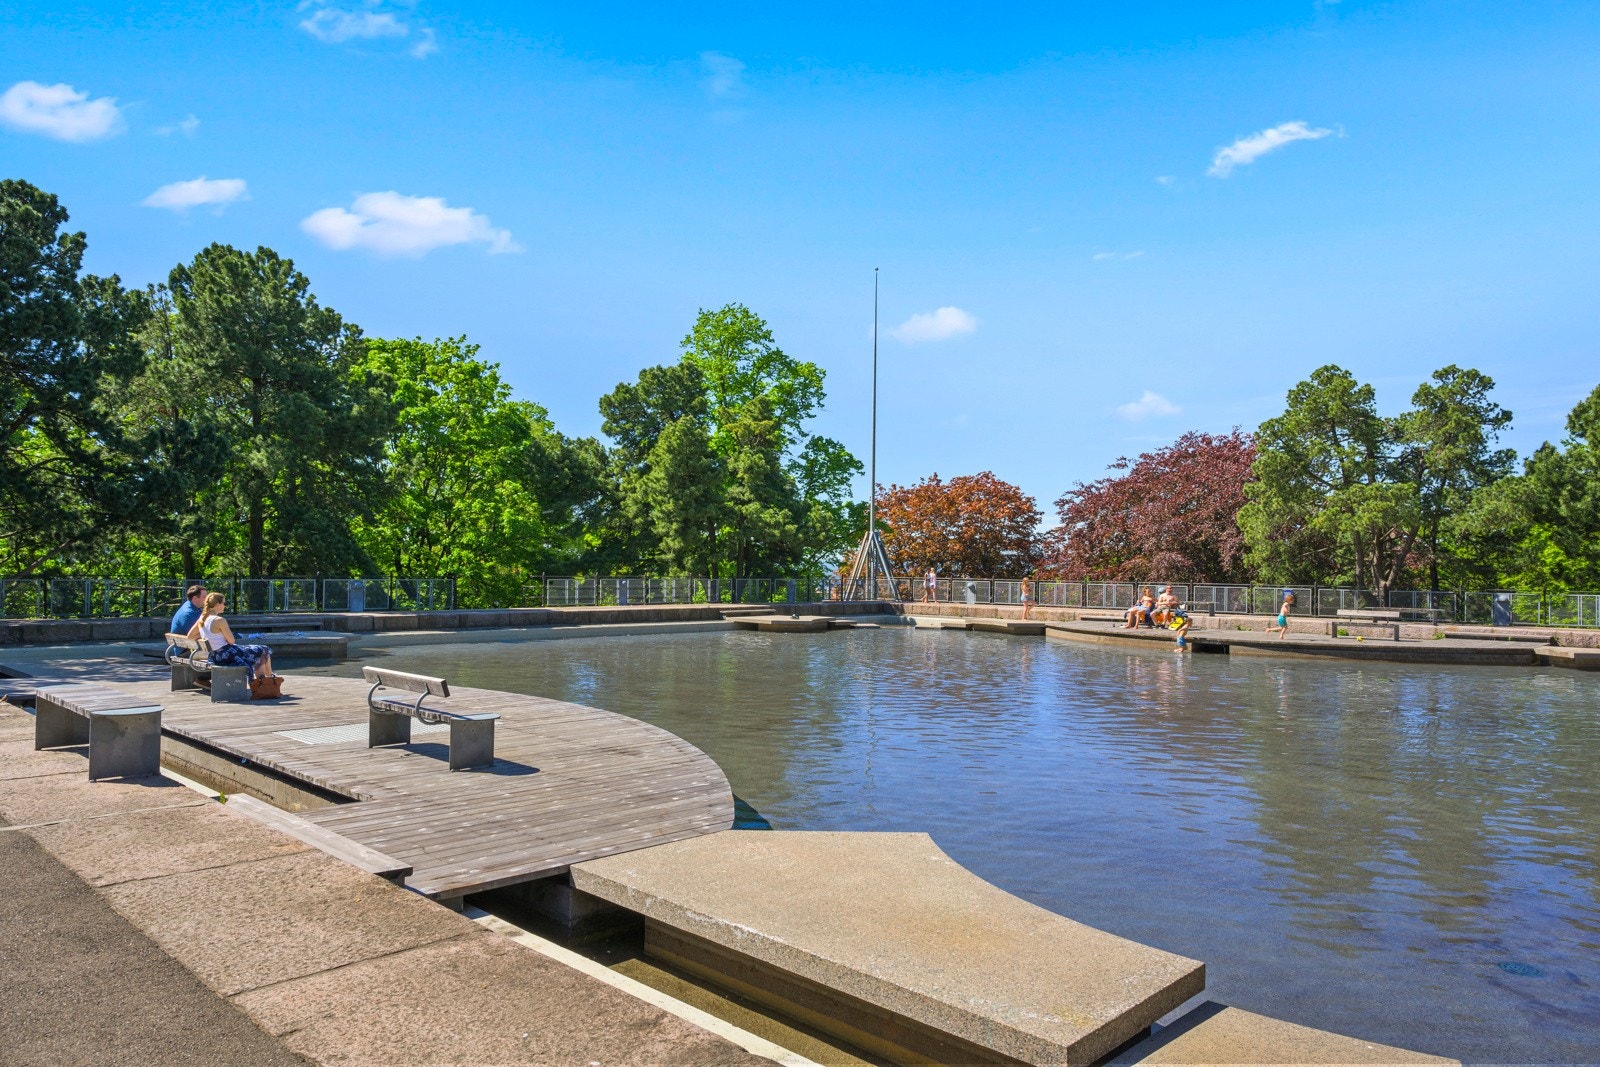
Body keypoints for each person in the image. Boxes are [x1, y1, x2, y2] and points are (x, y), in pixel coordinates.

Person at [188, 592, 278, 684]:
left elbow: (190, 636)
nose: (225, 606)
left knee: (258, 650)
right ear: (217, 604)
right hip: (227, 655)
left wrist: (208, 634)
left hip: (214, 656)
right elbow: (231, 641)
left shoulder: (202, 618)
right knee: (263, 649)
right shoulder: (219, 620)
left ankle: (266, 680)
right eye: (224, 603)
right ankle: (268, 680)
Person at [168, 584, 206, 655]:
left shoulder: (193, 608)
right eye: (204, 597)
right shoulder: (187, 613)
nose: (207, 600)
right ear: (195, 598)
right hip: (185, 651)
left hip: (190, 647)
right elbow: (196, 635)